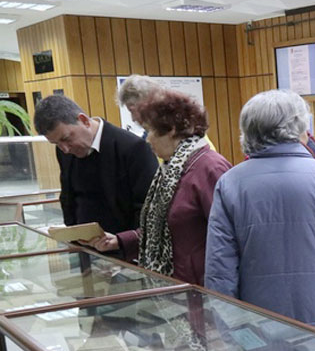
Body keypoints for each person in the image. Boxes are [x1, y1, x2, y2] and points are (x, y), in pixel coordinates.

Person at [204, 90, 315, 338]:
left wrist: (230, 330)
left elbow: (220, 267)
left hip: (259, 323)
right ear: (300, 127)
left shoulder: (230, 183)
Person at [88, 90, 231, 285]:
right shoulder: (170, 168)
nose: (147, 139)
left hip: (201, 289)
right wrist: (120, 241)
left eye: (151, 131)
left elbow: (228, 236)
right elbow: (163, 230)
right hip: (174, 289)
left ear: (171, 129)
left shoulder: (209, 167)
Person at [34, 94, 158, 237]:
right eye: (56, 144)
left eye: (66, 138)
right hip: (83, 242)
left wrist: (124, 241)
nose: (65, 149)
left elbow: (149, 208)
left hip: (123, 243)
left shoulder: (134, 148)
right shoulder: (63, 151)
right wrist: (73, 233)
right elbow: (68, 197)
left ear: (84, 121)